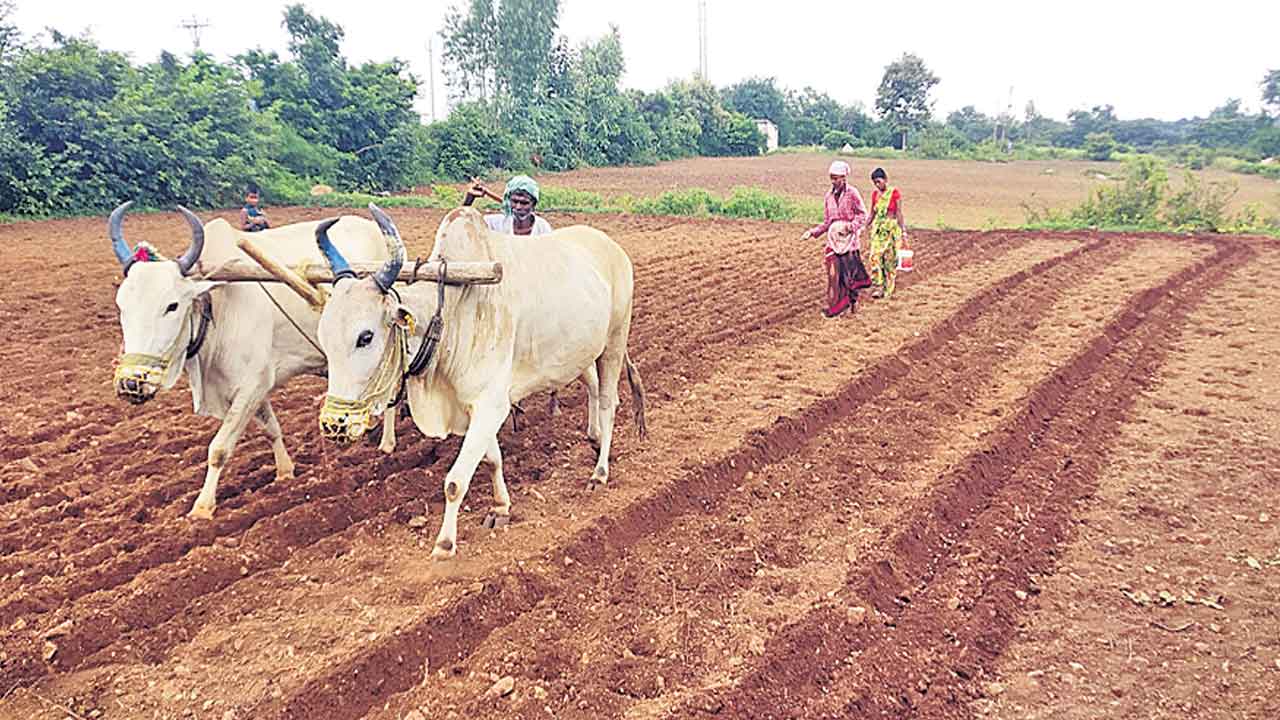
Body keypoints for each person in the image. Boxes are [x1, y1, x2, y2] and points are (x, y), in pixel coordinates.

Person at [801, 160, 871, 317]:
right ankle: (834, 308)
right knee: (833, 275)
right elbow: (827, 222)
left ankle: (851, 304)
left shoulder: (852, 193)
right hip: (833, 241)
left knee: (848, 278)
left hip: (849, 242)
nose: (833, 181)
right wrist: (813, 232)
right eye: (831, 178)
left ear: (844, 178)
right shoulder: (828, 196)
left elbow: (862, 214)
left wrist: (850, 227)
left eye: (836, 178)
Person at [865, 167, 910, 299]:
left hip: (891, 230)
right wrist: (864, 227)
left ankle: (887, 291)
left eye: (879, 182)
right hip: (878, 230)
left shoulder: (894, 193)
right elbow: (872, 214)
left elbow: (899, 214)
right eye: (875, 183)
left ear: (885, 180)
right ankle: (878, 285)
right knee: (874, 256)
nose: (877, 185)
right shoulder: (875, 195)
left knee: (889, 261)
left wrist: (903, 233)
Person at [462, 175, 553, 236]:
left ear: (533, 204)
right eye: (514, 201)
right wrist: (468, 201)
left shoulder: (542, 228)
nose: (518, 207)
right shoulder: (495, 224)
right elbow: (462, 227)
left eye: (524, 203)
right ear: (508, 201)